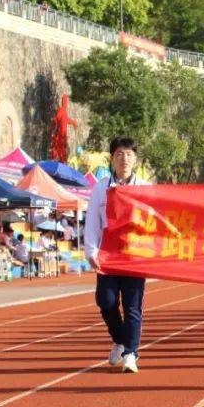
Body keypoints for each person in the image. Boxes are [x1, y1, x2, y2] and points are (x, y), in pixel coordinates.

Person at [84, 137, 151, 374]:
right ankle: (120, 339)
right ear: (112, 158)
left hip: (134, 256)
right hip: (108, 256)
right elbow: (92, 220)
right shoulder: (101, 187)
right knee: (106, 302)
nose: (125, 159)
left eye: (129, 155)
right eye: (120, 154)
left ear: (135, 159)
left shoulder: (145, 188)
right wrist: (91, 251)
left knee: (133, 307)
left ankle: (131, 353)